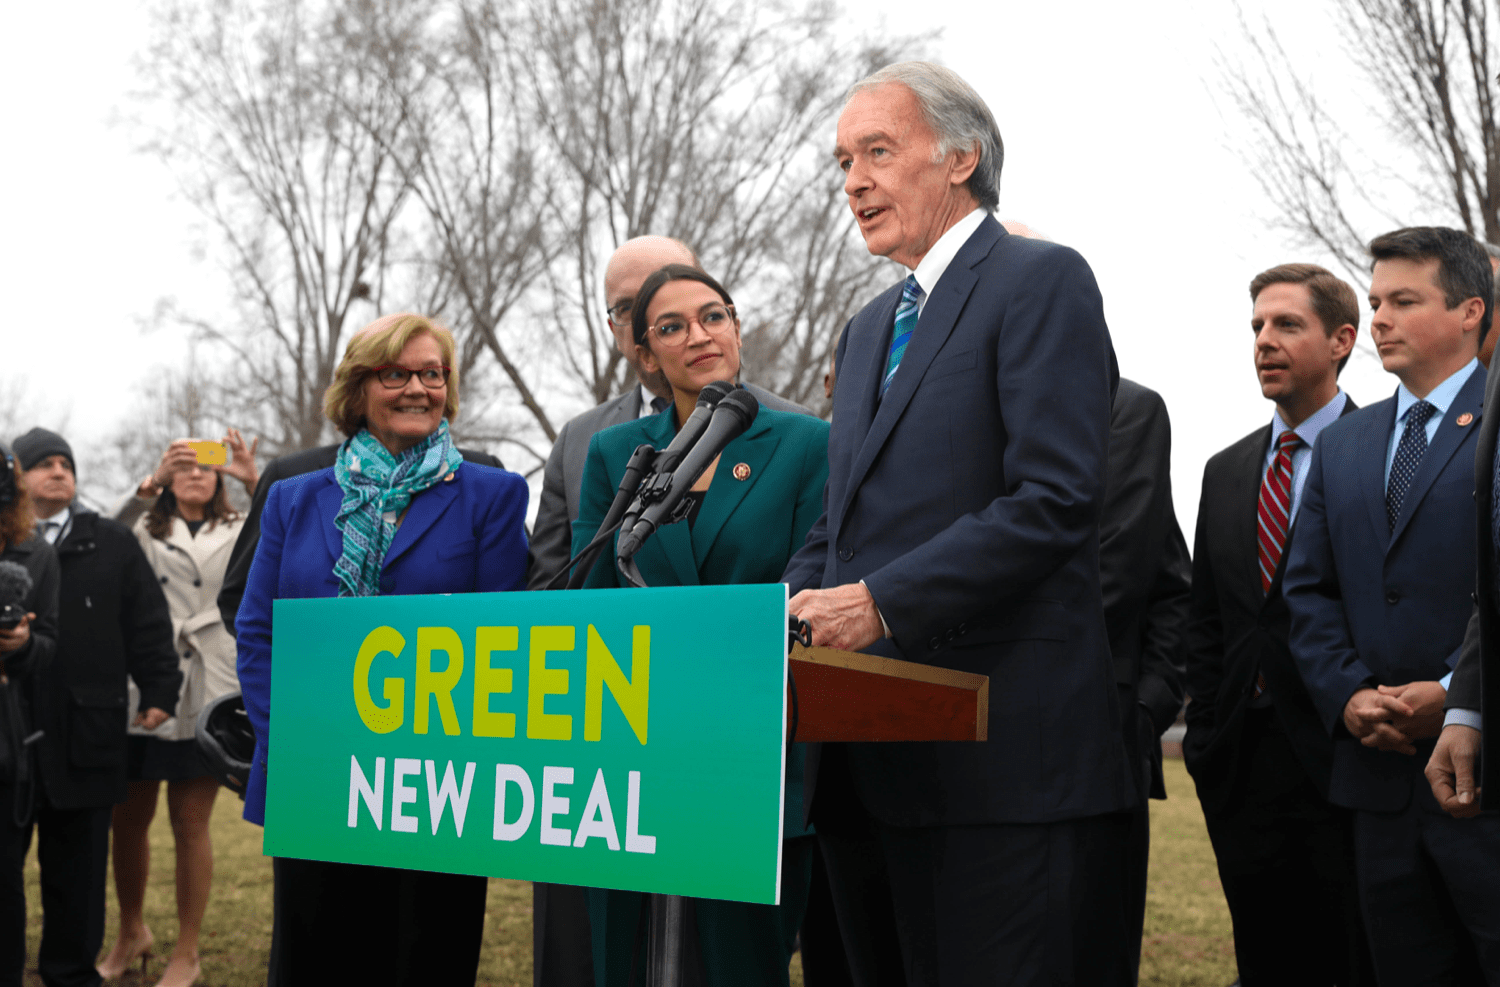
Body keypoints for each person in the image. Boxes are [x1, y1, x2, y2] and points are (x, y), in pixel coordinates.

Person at [783, 62, 1133, 985]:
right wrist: (774, 618)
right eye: (842, 161)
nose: (851, 181)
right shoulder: (866, 328)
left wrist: (881, 604)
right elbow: (838, 527)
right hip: (867, 766)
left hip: (1002, 764)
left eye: (877, 152)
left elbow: (1053, 499)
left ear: (961, 157)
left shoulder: (1039, 279)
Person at [527, 235, 812, 987]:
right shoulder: (618, 449)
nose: (701, 335)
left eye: (714, 315)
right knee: (625, 956)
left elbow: (810, 584)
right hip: (630, 752)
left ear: (737, 328)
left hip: (751, 751)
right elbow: (586, 590)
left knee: (735, 963)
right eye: (674, 326)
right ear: (645, 354)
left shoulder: (809, 444)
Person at [235, 313, 528, 986]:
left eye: (433, 373)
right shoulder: (293, 499)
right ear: (358, 388)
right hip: (317, 773)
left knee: (425, 956)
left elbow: (505, 638)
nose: (418, 388)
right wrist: (298, 745)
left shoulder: (492, 495)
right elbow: (258, 630)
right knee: (316, 958)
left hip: (439, 786)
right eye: (396, 373)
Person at [1285, 227, 1500, 982]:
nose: (1377, 319)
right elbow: (1305, 588)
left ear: (1471, 310)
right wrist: (1346, 693)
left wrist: (1454, 693)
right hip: (1376, 780)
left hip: (1486, 778)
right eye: (1375, 301)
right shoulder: (1347, 442)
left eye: (1403, 301)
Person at [1182, 263, 1371, 986]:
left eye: (1287, 324)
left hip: (1342, 756)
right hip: (1238, 762)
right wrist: (1205, 740)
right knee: (1262, 957)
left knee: (1349, 958)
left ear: (1341, 340)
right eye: (1257, 326)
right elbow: (1207, 619)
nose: (1264, 340)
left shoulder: (1381, 451)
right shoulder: (1225, 470)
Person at [8, 427, 181, 987]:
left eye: (66, 462)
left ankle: (68, 973)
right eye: (43, 463)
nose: (58, 470)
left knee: (78, 872)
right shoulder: (6, 543)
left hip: (87, 728)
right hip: (9, 734)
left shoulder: (111, 540)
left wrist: (159, 691)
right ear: (18, 476)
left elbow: (148, 622)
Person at [95, 432, 259, 987]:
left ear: (220, 478)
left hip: (211, 679)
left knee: (191, 824)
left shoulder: (240, 527)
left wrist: (252, 479)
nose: (196, 473)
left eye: (206, 466)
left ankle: (186, 952)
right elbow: (101, 543)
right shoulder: (144, 527)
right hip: (147, 683)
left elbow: (281, 535)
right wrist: (150, 485)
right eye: (182, 464)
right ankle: (130, 931)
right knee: (128, 821)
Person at [0, 442, 60, 987]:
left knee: (4, 883)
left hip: (4, 744)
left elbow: (47, 644)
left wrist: (18, 644)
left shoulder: (32, 551)